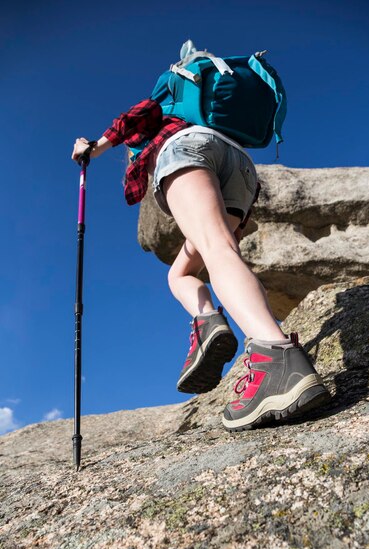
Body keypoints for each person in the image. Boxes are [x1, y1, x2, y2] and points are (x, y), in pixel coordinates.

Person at [72, 45, 329, 431]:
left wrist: (94, 147)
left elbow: (137, 115)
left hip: (188, 151)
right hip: (241, 168)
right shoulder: (211, 107)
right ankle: (208, 322)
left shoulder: (172, 99)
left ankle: (276, 356)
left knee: (216, 250)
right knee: (184, 270)